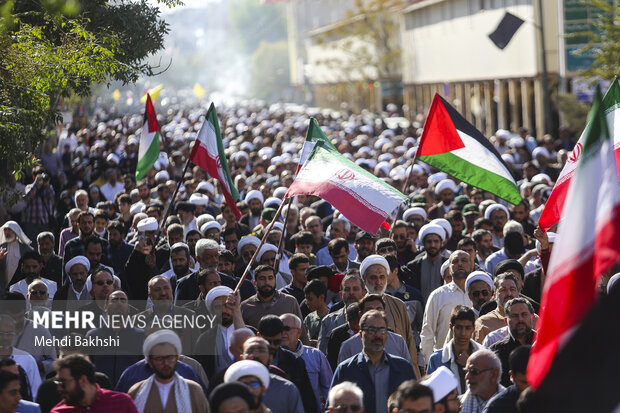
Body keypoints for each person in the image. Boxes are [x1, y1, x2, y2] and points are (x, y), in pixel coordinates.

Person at [331, 310, 416, 413]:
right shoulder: (346, 369)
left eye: (382, 330)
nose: (378, 335)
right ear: (361, 334)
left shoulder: (403, 368)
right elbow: (332, 407)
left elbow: (416, 405)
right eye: (372, 330)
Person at [358, 255, 419, 377]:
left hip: (397, 372)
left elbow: (409, 342)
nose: (378, 282)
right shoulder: (357, 308)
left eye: (382, 277)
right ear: (364, 279)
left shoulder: (399, 305)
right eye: (373, 278)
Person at [128, 329, 209, 413]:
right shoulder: (137, 391)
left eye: (170, 357)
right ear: (150, 361)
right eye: (159, 358)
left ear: (177, 357)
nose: (166, 363)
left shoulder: (193, 390)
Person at [420, 250, 473, 366]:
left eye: (464, 261)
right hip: (443, 362)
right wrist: (430, 363)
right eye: (455, 261)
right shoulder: (438, 295)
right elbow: (427, 333)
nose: (459, 264)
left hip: (475, 361)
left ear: (471, 265)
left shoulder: (479, 293)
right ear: (449, 267)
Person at [256, 316, 317, 413]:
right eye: (268, 342)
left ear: (282, 335)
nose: (271, 346)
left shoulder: (295, 362)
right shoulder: (249, 362)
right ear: (258, 336)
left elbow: (307, 399)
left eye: (276, 342)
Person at [337, 294, 411, 365]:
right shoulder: (348, 346)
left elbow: (408, 373)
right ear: (361, 314)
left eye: (379, 309)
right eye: (369, 310)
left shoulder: (398, 341)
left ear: (385, 313)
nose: (375, 313)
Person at [279, 314, 333, 410]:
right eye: (279, 329)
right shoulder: (272, 357)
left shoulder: (316, 356)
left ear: (299, 332)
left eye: (286, 328)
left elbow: (329, 389)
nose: (282, 333)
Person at [51, 354, 138, 412]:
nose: (59, 388)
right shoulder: (59, 411)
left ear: (83, 381)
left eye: (63, 382)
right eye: (58, 382)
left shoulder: (121, 403)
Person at [427, 306, 482, 395]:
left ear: (473, 328)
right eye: (459, 327)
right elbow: (431, 395)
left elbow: (490, 390)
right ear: (451, 327)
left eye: (467, 328)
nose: (463, 333)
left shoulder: (484, 355)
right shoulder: (437, 359)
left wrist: (470, 366)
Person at [195, 286, 245, 378]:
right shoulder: (205, 339)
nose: (223, 310)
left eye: (227, 305)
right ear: (212, 311)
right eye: (218, 307)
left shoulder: (250, 332)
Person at [488, 298, 535, 387]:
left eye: (524, 314)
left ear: (532, 317)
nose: (520, 319)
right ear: (506, 321)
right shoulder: (496, 352)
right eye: (514, 316)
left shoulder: (544, 345)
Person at [241, 265, 304, 330]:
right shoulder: (245, 307)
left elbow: (301, 332)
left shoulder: (290, 302)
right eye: (262, 279)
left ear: (275, 280)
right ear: (255, 282)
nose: (267, 282)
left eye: (270, 278)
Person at [317, 275, 366, 354]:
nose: (351, 293)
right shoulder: (328, 321)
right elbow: (321, 355)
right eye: (347, 289)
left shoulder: (373, 319)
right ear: (340, 294)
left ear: (364, 293)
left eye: (355, 289)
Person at [402, 223, 450, 303]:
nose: (432, 245)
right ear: (423, 243)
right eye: (429, 241)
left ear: (441, 243)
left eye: (436, 241)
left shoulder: (448, 265)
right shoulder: (413, 266)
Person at [482, 345, 530, 413]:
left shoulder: (548, 401)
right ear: (512, 376)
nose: (530, 388)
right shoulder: (496, 408)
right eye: (524, 382)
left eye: (535, 382)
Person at [474, 273, 519, 344]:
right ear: (494, 296)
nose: (509, 293)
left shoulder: (532, 319)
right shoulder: (483, 323)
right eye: (503, 290)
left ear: (517, 293)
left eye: (512, 289)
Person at [0, 221, 34, 292]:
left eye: (9, 230)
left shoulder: (25, 249)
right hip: (3, 286)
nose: (7, 232)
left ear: (15, 231)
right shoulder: (1, 248)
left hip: (20, 286)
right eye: (5, 230)